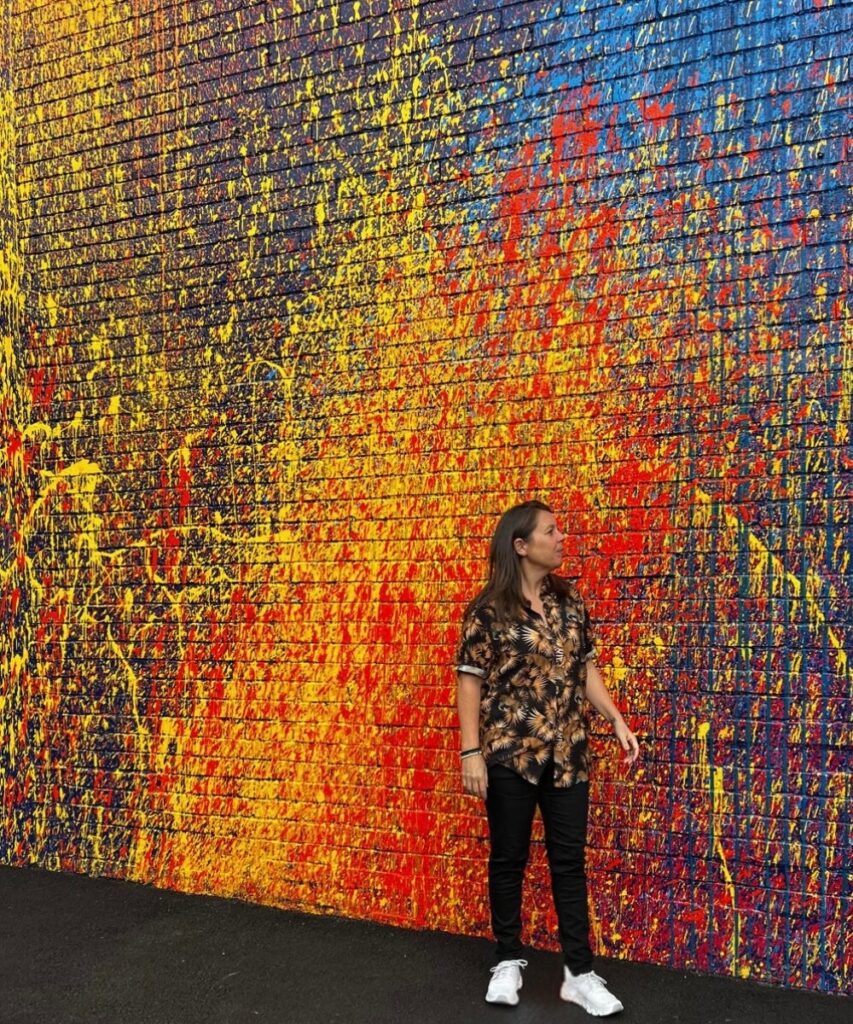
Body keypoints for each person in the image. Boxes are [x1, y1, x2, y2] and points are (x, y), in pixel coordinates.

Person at [456, 500, 639, 1015]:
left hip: (569, 755)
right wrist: (471, 750)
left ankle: (579, 975)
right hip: (510, 753)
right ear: (521, 545)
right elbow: (469, 679)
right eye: (550, 531)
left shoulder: (569, 602)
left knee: (569, 865)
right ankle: (508, 961)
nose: (561, 538)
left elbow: (586, 671)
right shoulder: (487, 611)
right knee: (509, 859)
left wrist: (616, 719)